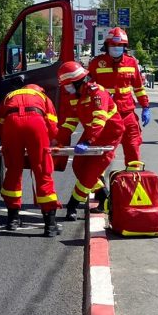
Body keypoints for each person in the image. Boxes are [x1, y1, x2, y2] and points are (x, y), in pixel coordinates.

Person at [0, 83, 59, 233]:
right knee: (42, 171)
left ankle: (13, 219)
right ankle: (50, 224)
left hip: (12, 125)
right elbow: (52, 124)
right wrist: (52, 141)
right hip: (36, 123)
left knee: (13, 171)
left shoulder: (9, 96)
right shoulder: (43, 97)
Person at [57, 61, 125, 225]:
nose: (66, 89)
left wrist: (88, 141)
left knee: (89, 174)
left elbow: (99, 121)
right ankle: (104, 196)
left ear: (77, 82)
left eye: (67, 85)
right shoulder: (75, 96)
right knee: (78, 166)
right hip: (92, 133)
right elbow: (71, 121)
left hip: (109, 135)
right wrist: (58, 139)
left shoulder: (97, 93)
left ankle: (73, 205)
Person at [87, 27, 151, 171]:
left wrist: (145, 106)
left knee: (133, 148)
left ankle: (133, 184)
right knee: (103, 153)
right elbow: (87, 87)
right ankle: (99, 188)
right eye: (113, 45)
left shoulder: (131, 63)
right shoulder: (96, 63)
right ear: (107, 46)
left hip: (127, 113)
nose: (116, 48)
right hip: (107, 115)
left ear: (124, 47)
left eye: (119, 45)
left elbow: (139, 88)